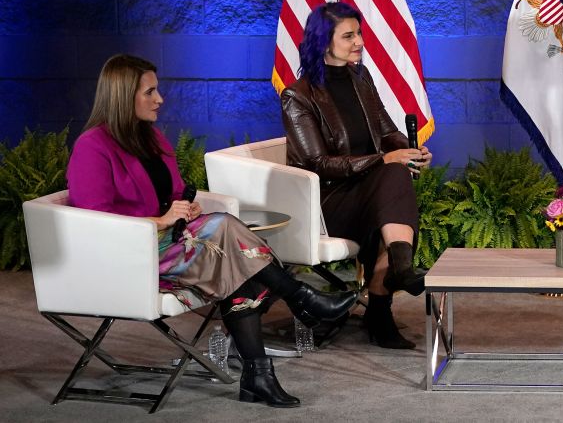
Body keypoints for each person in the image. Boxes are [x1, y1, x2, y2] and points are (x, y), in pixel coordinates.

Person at [67, 54, 359, 407]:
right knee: (223, 229)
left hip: (175, 245)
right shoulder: (92, 147)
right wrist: (159, 221)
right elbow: (95, 223)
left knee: (237, 271)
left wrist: (185, 207)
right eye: (150, 92)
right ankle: (300, 300)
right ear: (122, 95)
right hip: (131, 257)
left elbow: (174, 192)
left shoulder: (152, 139)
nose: (160, 99)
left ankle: (259, 376)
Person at [281, 2, 431, 349]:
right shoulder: (298, 96)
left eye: (359, 33)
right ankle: (389, 292)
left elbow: (386, 131)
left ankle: (393, 281)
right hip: (327, 202)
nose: (359, 42)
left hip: (367, 191)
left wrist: (410, 150)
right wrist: (384, 159)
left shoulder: (360, 77)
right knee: (390, 175)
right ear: (323, 42)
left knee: (394, 176)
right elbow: (317, 162)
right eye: (349, 35)